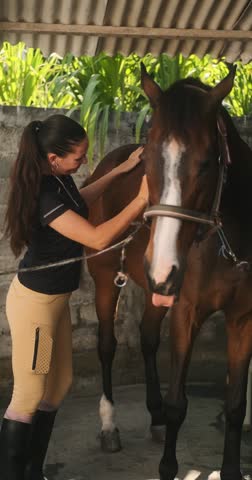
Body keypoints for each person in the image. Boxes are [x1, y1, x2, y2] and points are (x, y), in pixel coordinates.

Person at [0, 114, 148, 480]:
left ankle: (33, 470)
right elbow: (97, 238)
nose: (84, 161)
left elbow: (81, 200)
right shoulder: (46, 194)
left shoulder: (59, 180)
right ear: (54, 158)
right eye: (79, 157)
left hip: (54, 305)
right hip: (35, 306)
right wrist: (142, 199)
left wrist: (120, 170)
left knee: (59, 384)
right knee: (29, 395)